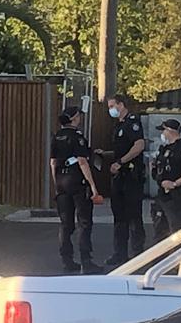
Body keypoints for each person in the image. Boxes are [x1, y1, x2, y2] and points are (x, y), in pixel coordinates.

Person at [50, 106, 103, 274]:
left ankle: (67, 260)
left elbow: (52, 163)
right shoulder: (77, 137)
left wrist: (56, 183)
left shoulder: (57, 136)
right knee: (84, 222)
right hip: (77, 182)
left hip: (61, 183)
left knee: (65, 224)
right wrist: (93, 187)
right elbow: (82, 161)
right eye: (78, 115)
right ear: (73, 118)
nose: (80, 118)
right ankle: (86, 262)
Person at [96, 94, 146, 266]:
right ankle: (120, 253)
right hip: (119, 177)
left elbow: (139, 146)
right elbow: (121, 149)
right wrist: (106, 154)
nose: (110, 110)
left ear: (121, 105)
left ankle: (138, 253)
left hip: (131, 175)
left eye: (112, 106)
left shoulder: (132, 122)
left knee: (133, 215)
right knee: (119, 216)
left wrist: (120, 162)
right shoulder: (119, 125)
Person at [152, 119, 181, 236]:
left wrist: (175, 184)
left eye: (163, 130)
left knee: (179, 232)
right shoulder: (164, 149)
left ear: (170, 131)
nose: (162, 134)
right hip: (162, 197)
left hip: (177, 198)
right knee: (160, 231)